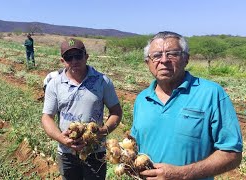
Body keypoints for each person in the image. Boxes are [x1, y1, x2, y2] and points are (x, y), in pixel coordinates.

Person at [130, 31, 243, 180]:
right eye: (156, 55)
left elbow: (232, 154)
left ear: (186, 59)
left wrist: (182, 174)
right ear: (148, 62)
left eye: (172, 54)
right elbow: (135, 144)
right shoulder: (142, 99)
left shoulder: (211, 94)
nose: (164, 60)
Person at [41, 38, 122, 180]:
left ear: (86, 56)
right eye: (68, 57)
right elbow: (47, 117)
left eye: (78, 56)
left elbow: (116, 112)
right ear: (62, 61)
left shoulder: (102, 81)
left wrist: (101, 132)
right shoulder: (54, 84)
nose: (74, 61)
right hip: (67, 152)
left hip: (96, 152)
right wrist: (62, 138)